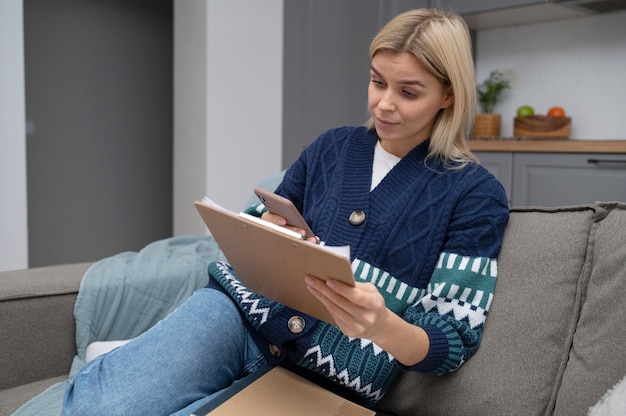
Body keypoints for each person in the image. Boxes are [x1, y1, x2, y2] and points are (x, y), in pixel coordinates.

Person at [62, 8, 509, 415]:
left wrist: (386, 326)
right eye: (377, 82)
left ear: (449, 96)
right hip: (235, 316)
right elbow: (258, 223)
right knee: (95, 407)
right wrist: (266, 229)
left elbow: (453, 339)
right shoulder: (333, 147)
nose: (384, 104)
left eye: (409, 92)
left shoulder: (475, 195)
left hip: (329, 378)